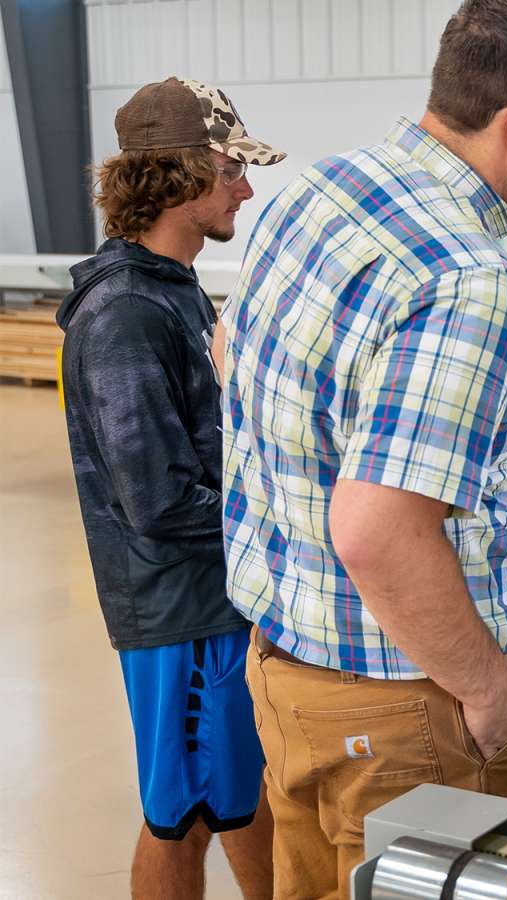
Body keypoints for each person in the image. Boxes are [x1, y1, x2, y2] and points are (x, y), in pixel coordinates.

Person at [216, 1, 507, 894]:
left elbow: (231, 351)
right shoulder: (466, 273)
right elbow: (379, 530)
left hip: (286, 675)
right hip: (406, 707)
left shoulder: (319, 191)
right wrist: (489, 689)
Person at [57, 76, 280, 900]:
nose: (246, 188)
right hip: (175, 613)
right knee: (182, 812)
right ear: (180, 174)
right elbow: (156, 504)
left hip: (209, 601)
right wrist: (286, 519)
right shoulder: (124, 316)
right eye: (232, 171)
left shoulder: (173, 290)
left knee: (238, 797)